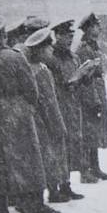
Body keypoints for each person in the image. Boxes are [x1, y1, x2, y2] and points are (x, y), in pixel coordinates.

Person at [0, 16, 53, 213]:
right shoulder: (15, 58)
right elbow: (31, 90)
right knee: (27, 165)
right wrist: (24, 106)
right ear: (2, 35)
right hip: (18, 115)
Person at [24, 27, 69, 213]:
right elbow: (50, 103)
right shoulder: (42, 71)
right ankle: (41, 202)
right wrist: (59, 126)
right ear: (40, 50)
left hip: (30, 120)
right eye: (48, 47)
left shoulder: (27, 67)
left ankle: (36, 201)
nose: (52, 50)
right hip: (43, 122)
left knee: (34, 161)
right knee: (46, 159)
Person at [46, 19, 85, 202]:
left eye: (71, 37)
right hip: (57, 106)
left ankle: (66, 184)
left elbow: (75, 77)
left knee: (70, 145)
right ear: (57, 36)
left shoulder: (72, 56)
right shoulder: (50, 58)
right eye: (66, 37)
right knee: (56, 148)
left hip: (71, 105)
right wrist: (66, 84)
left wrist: (83, 76)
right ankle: (54, 188)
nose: (70, 40)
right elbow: (49, 85)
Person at [76, 12, 107, 182]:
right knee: (88, 130)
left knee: (95, 128)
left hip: (97, 88)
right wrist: (93, 97)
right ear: (90, 28)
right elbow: (86, 75)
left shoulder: (93, 46)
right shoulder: (85, 49)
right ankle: (86, 170)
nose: (99, 28)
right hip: (89, 90)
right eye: (97, 26)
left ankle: (95, 167)